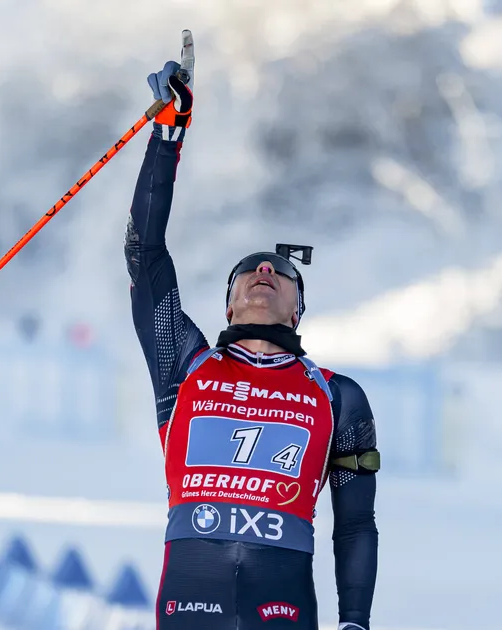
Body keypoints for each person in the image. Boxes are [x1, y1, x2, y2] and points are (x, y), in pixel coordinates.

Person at [124, 33, 380, 630]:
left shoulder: (339, 397)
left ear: (297, 311)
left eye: (282, 272)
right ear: (230, 305)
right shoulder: (183, 363)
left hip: (282, 603)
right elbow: (146, 254)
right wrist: (168, 135)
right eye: (248, 271)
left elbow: (356, 523)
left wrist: (356, 620)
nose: (265, 270)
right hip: (192, 598)